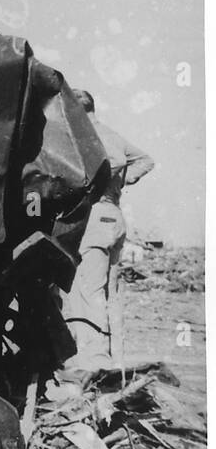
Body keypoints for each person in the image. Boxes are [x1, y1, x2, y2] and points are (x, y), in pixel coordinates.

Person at [63, 90, 154, 370]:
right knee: (109, 293)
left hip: (95, 214)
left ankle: (95, 360)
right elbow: (146, 160)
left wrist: (91, 183)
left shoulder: (89, 136)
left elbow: (113, 161)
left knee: (88, 290)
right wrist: (122, 181)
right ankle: (115, 358)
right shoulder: (112, 134)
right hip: (114, 215)